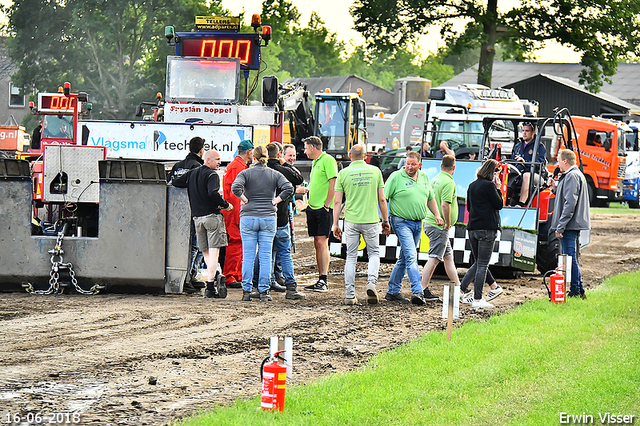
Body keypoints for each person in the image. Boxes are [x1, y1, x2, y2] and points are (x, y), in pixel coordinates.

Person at [231, 146, 293, 302]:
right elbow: (289, 188)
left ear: (254, 157)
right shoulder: (274, 174)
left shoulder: (246, 173)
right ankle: (264, 291)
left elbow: (235, 187)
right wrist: (276, 201)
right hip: (268, 218)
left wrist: (245, 200)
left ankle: (246, 290)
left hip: (248, 217)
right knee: (266, 256)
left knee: (248, 256)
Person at [332, 144, 391, 305]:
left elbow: (337, 201)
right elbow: (382, 199)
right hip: (371, 220)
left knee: (351, 256)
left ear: (350, 156)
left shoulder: (343, 173)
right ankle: (371, 283)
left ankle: (350, 295)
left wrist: (335, 223)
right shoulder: (375, 171)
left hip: (351, 219)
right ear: (365, 156)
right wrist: (385, 220)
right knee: (373, 253)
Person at [384, 151, 444, 305]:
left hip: (418, 223)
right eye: (407, 164)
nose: (409, 167)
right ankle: (418, 291)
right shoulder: (396, 177)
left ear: (419, 165)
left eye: (413, 164)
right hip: (400, 221)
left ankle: (392, 291)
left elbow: (430, 198)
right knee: (411, 256)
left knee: (404, 258)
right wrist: (384, 220)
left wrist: (437, 214)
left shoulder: (424, 177)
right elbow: (384, 198)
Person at [171, 150, 233, 299]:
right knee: (214, 252)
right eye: (217, 159)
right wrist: (226, 204)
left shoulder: (192, 173)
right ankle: (210, 285)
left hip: (197, 218)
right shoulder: (212, 175)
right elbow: (212, 193)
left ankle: (214, 277)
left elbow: (175, 181)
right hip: (212, 216)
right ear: (208, 160)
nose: (219, 162)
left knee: (205, 251)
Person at [459, 159, 505, 309]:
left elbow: (469, 207)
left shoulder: (472, 186)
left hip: (472, 228)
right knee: (482, 264)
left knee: (478, 262)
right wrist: (498, 188)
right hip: (487, 228)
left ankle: (462, 289)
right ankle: (478, 299)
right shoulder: (489, 186)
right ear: (492, 172)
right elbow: (499, 205)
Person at [265, 142, 306, 300]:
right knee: (284, 252)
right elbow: (299, 178)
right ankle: (291, 287)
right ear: (280, 154)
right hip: (281, 217)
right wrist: (284, 164)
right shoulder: (282, 170)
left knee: (264, 253)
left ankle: (261, 286)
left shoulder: (257, 170)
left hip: (263, 217)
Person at [548, 149, 590, 299]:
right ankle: (578, 289)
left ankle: (577, 290)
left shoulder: (572, 176)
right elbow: (567, 198)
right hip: (573, 224)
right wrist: (555, 188)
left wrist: (561, 226)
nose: (557, 163)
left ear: (565, 161)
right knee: (571, 257)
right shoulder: (576, 175)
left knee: (570, 257)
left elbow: (569, 203)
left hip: (570, 225)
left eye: (558, 160)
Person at [167, 137, 205, 292]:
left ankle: (181, 277)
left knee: (179, 246)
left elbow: (170, 183)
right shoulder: (197, 167)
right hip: (194, 211)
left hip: (174, 212)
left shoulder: (177, 166)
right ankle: (189, 277)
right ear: (201, 151)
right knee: (197, 245)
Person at [420, 155, 459, 302]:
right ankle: (421, 289)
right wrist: (447, 223)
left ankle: (458, 287)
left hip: (431, 222)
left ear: (441, 166)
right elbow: (445, 204)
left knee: (448, 257)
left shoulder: (435, 179)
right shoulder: (448, 182)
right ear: (453, 168)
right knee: (435, 258)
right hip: (439, 225)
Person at [302, 136, 338, 292]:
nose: (304, 151)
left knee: (322, 242)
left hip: (323, 208)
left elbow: (333, 182)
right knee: (317, 241)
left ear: (312, 147)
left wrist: (327, 205)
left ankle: (323, 279)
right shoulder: (315, 162)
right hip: (314, 207)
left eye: (305, 148)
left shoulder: (327, 160)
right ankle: (320, 278)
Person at [222, 139, 254, 288]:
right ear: (249, 152)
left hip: (232, 212)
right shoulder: (239, 168)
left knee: (238, 244)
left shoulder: (235, 166)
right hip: (235, 213)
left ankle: (236, 274)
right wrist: (239, 215)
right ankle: (230, 276)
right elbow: (237, 194)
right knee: (236, 243)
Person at [511, 122, 546, 206]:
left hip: (536, 175)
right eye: (523, 130)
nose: (524, 133)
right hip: (519, 174)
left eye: (527, 131)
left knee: (526, 175)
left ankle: (521, 204)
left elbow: (539, 164)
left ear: (533, 133)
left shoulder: (539, 147)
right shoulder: (517, 147)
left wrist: (525, 162)